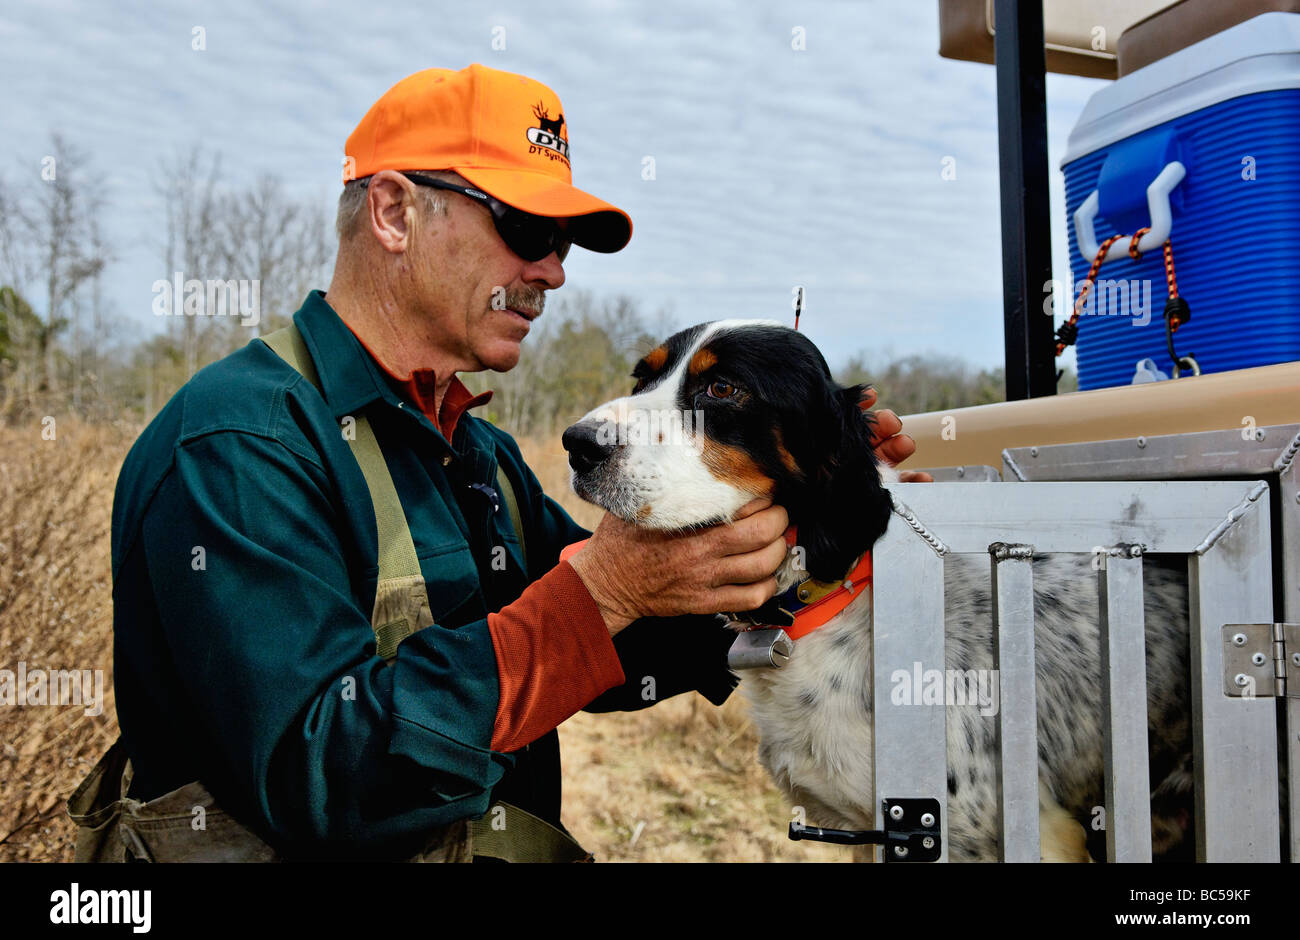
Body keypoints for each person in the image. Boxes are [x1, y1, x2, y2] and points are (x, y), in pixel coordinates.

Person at [70, 64, 928, 862]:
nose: (552, 270)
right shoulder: (243, 444)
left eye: (563, 242)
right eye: (526, 228)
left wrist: (826, 536)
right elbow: (324, 774)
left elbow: (622, 633)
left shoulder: (472, 451)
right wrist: (603, 593)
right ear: (395, 213)